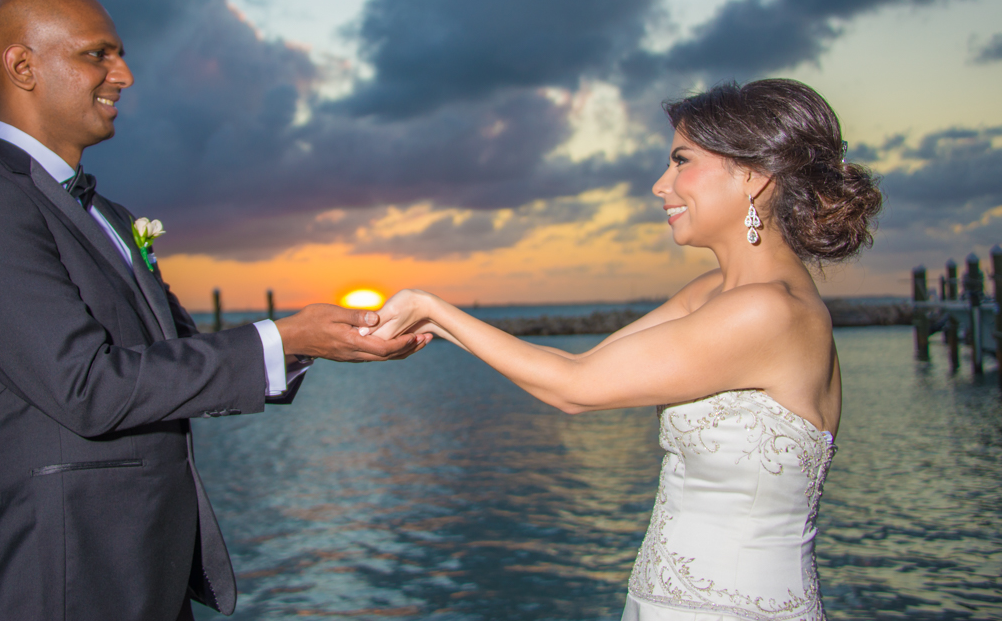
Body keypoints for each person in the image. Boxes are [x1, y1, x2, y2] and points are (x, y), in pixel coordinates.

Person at [0, 0, 431, 621]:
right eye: (97, 56)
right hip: (63, 572)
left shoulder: (107, 212)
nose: (125, 75)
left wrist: (329, 337)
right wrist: (286, 337)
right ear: (22, 67)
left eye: (122, 55)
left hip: (146, 572)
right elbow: (84, 387)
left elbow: (178, 362)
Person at [368, 79, 883, 620]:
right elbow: (578, 366)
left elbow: (575, 390)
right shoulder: (713, 293)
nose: (661, 185)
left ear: (752, 176)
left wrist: (434, 307)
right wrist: (430, 323)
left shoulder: (770, 311)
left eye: (681, 161)